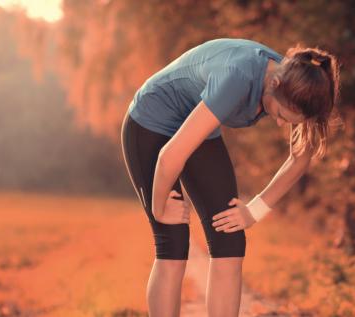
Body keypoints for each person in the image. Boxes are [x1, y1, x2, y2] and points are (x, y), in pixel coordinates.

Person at [120, 38, 340, 317]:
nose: (283, 124)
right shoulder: (238, 76)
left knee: (230, 241)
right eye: (281, 115)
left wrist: (254, 211)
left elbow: (300, 158)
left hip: (197, 127)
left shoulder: (299, 85)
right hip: (151, 123)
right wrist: (159, 207)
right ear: (273, 84)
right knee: (173, 244)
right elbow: (169, 156)